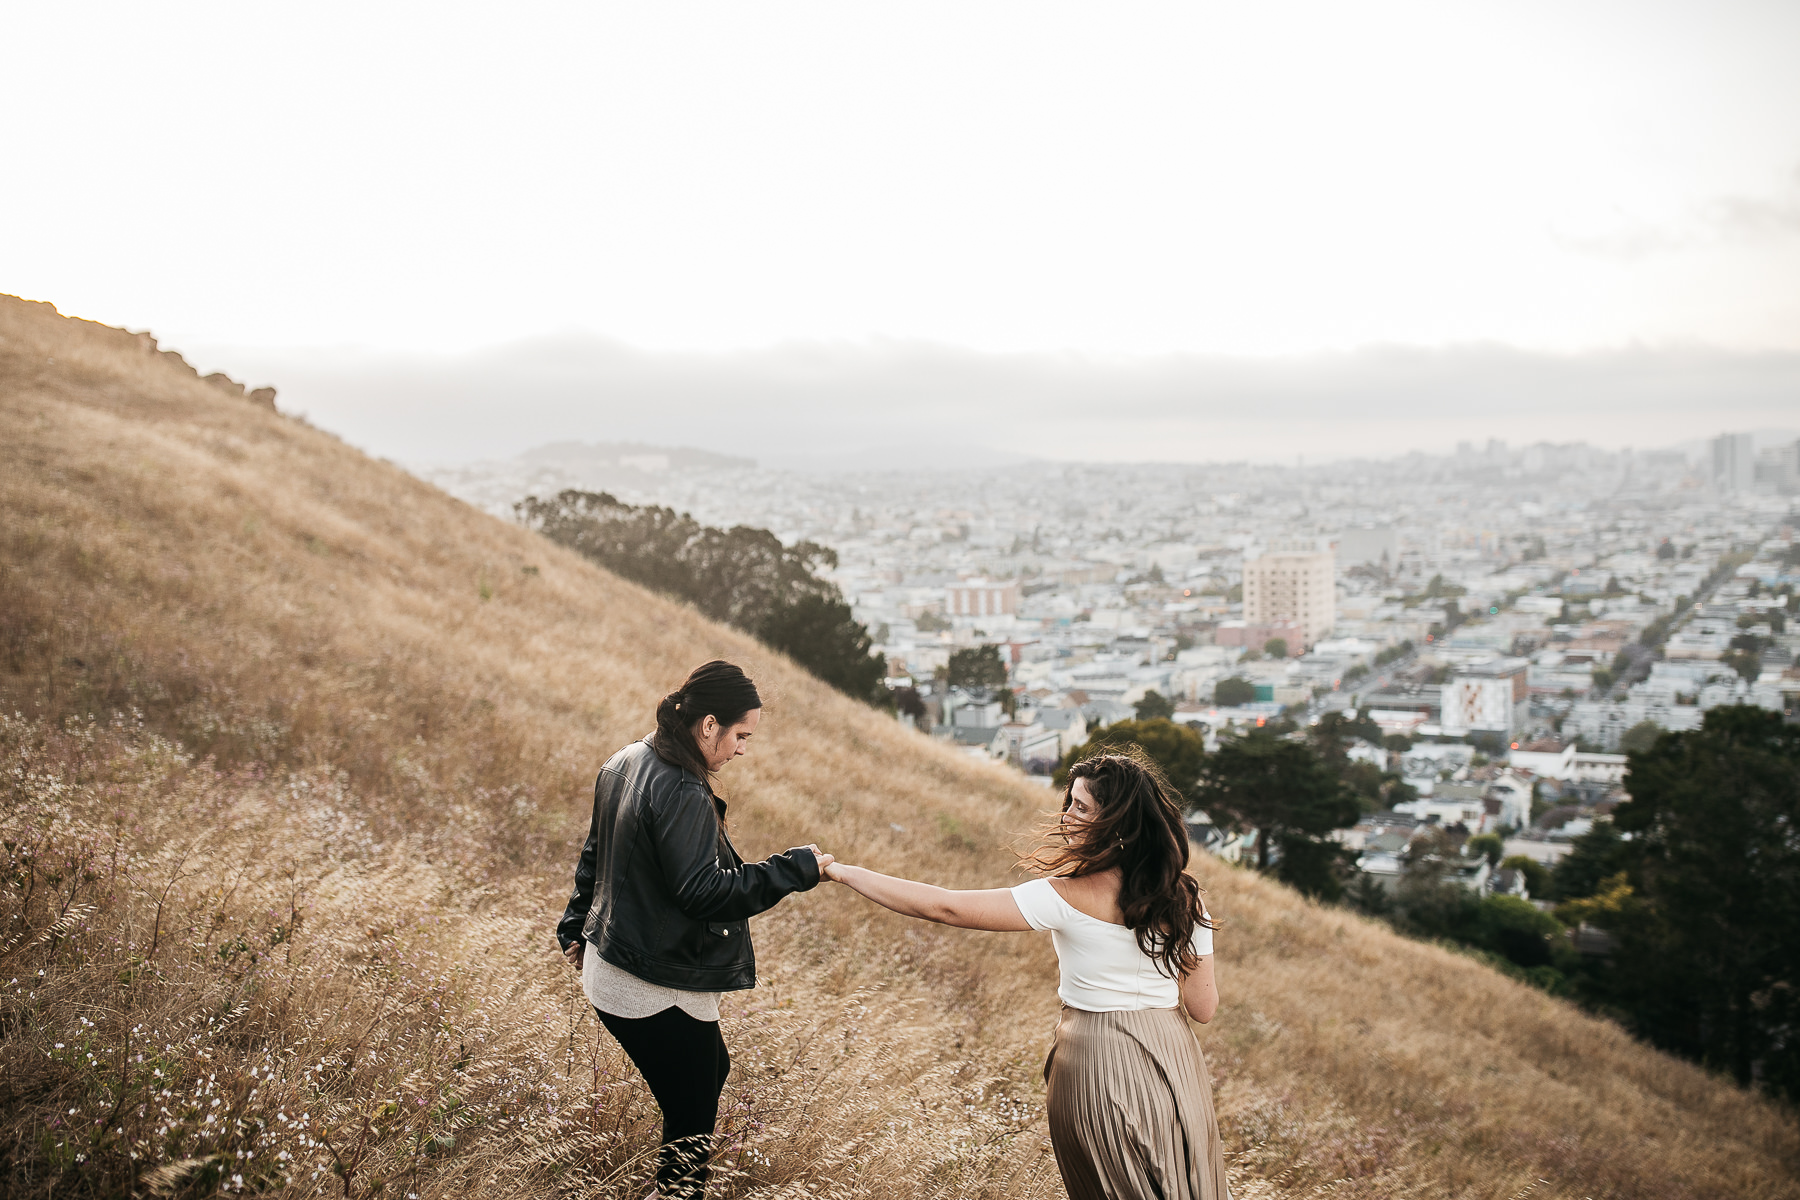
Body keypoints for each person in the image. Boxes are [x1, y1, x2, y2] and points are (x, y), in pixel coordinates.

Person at [824, 750, 1228, 1200]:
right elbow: (1203, 1008)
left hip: (1094, 1058)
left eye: (1081, 807)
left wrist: (844, 872)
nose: (1066, 817)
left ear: (1114, 824)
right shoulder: (1186, 898)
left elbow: (945, 906)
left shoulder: (1065, 895)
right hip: (1172, 1060)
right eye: (1068, 802)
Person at [557, 660, 832, 1198]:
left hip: (615, 962)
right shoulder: (681, 788)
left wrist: (574, 923)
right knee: (694, 1105)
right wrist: (792, 870)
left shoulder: (626, 759)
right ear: (709, 725)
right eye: (741, 735)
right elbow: (703, 892)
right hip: (646, 979)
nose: (743, 749)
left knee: (705, 1078)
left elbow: (596, 853)